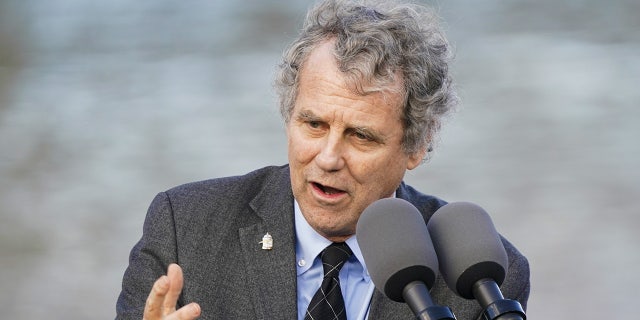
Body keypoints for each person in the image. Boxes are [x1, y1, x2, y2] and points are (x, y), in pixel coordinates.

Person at [116, 0, 530, 319]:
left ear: (416, 146)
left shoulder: (482, 275)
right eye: (313, 124)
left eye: (361, 136)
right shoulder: (183, 228)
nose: (328, 158)